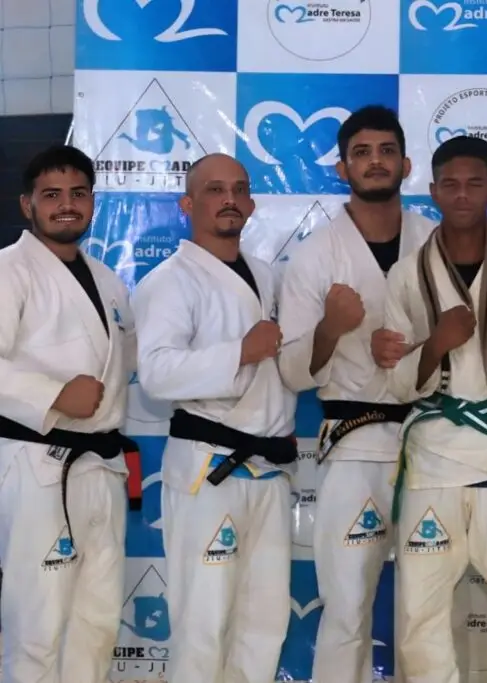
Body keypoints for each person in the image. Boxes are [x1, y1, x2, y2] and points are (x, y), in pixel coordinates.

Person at [377, 135, 487, 683]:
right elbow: (396, 384)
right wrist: (435, 343)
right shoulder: (406, 275)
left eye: (474, 183)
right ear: (432, 191)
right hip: (432, 463)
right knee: (420, 616)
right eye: (450, 184)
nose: (462, 194)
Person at [276, 105, 434, 683]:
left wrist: (416, 350)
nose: (375, 162)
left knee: (428, 608)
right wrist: (331, 329)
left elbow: (466, 341)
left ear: (406, 164)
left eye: (387, 151)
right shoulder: (316, 254)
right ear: (342, 168)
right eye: (361, 153)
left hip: (433, 441)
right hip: (354, 443)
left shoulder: (435, 241)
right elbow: (293, 372)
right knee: (346, 607)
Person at [132, 153, 297, 683]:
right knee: (204, 625)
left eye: (239, 189)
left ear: (251, 203)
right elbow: (156, 374)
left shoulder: (268, 276)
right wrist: (240, 353)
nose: (229, 199)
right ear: (188, 203)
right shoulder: (169, 281)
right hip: (210, 469)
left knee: (263, 623)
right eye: (214, 189)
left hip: (269, 469)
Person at [0, 145, 137, 683]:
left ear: (93, 202)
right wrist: (54, 394)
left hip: (101, 466)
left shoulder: (109, 280)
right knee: (37, 624)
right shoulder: (9, 270)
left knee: (95, 621)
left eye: (78, 193)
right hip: (39, 465)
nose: (66, 205)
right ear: (27, 205)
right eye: (51, 195)